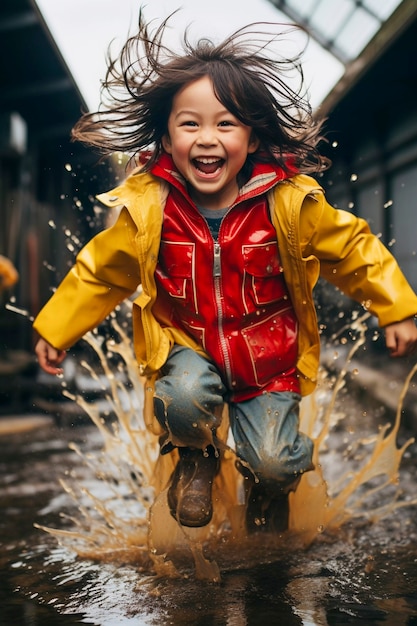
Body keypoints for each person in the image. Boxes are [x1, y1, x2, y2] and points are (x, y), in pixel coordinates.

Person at [34, 13, 417, 532]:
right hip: (186, 348)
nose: (207, 138)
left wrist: (396, 308)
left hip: (270, 363)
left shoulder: (289, 204)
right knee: (183, 398)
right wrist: (57, 327)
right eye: (190, 124)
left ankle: (269, 489)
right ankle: (196, 457)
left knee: (275, 462)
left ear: (253, 140)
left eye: (226, 124)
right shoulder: (151, 211)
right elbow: (101, 272)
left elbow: (352, 249)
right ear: (167, 140)